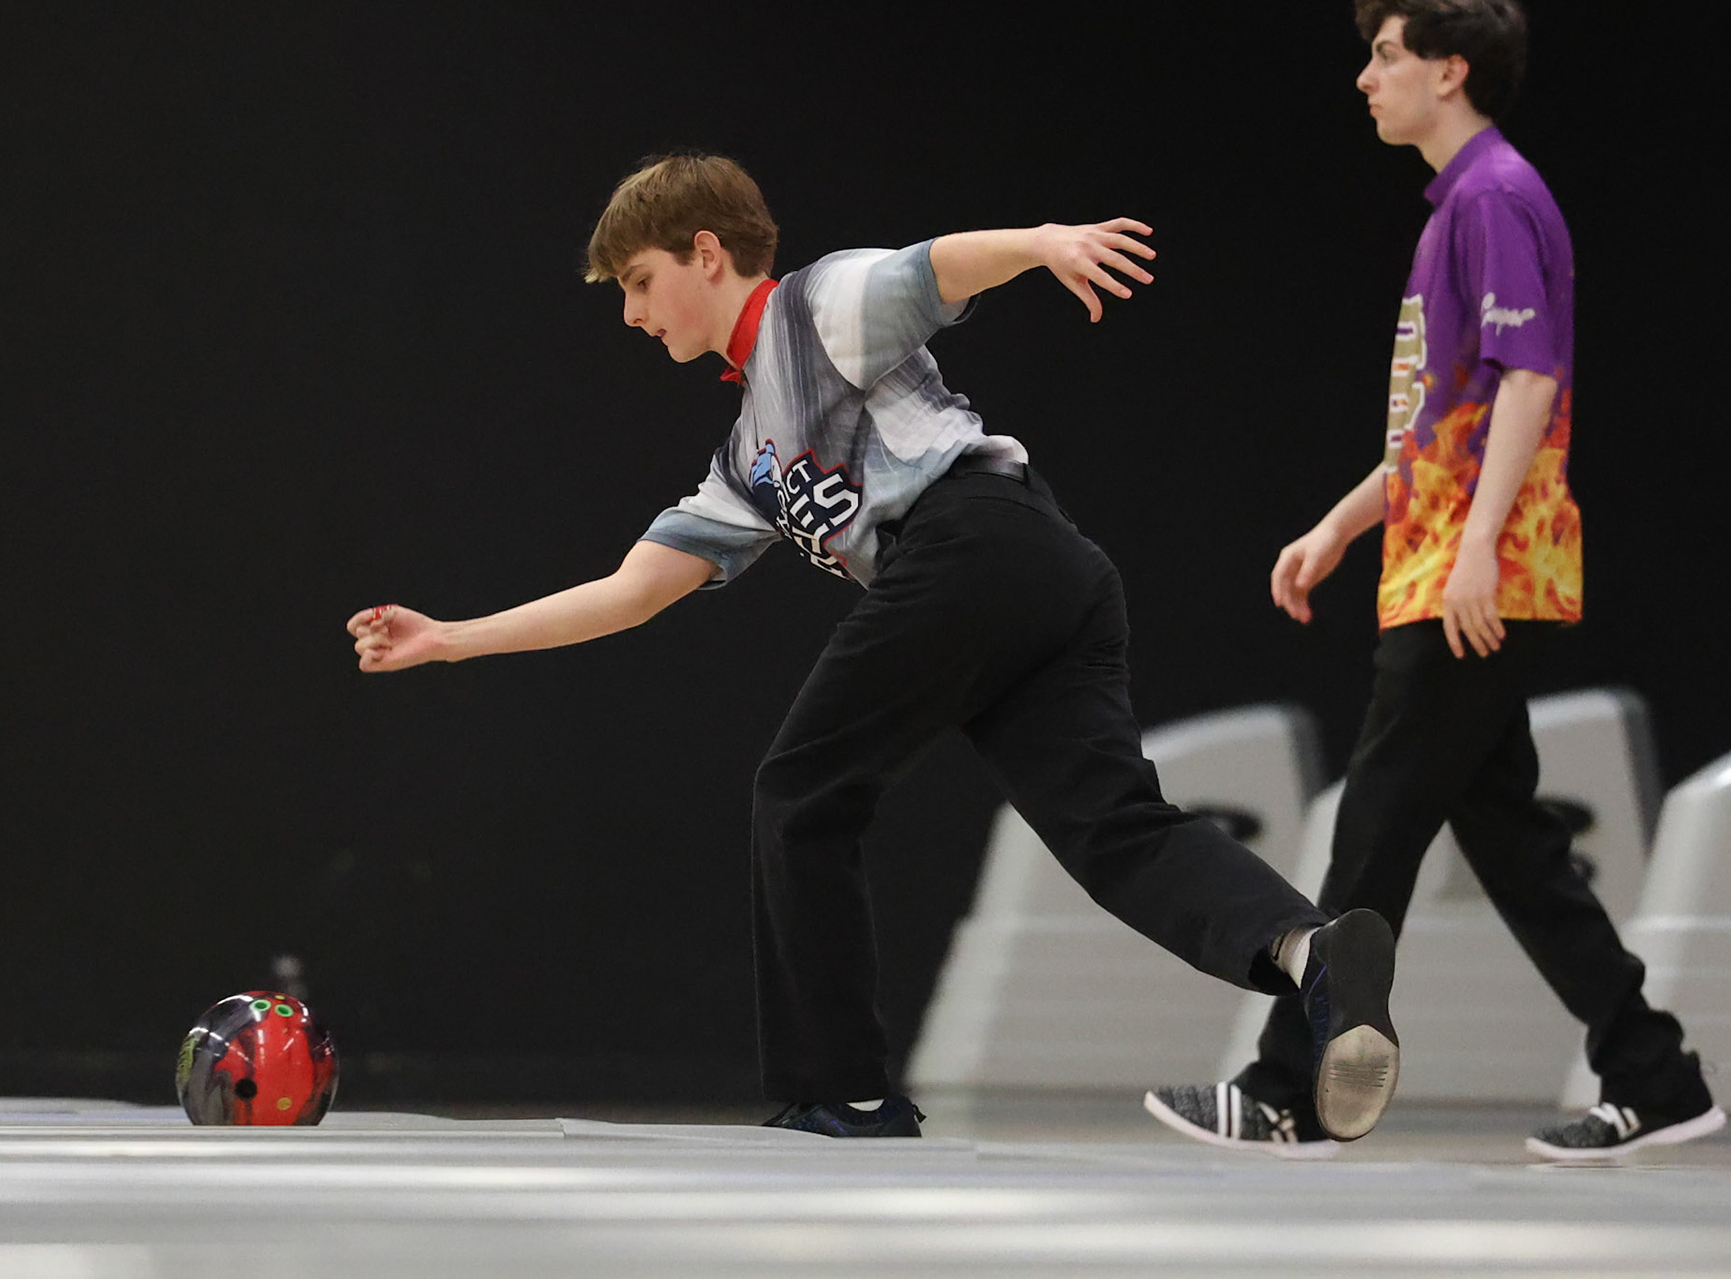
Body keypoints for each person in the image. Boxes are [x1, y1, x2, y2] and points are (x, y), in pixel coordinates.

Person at [347, 153, 1402, 1139]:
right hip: (1042, 572)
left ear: (706, 253)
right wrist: (451, 640)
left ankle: (842, 1091)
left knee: (800, 792)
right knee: (1112, 830)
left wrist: (1043, 242)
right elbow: (631, 592)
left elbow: (934, 269)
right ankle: (1314, 949)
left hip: (972, 545)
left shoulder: (813, 306)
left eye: (638, 281)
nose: (630, 312)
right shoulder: (748, 457)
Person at [1144, 0, 1723, 1162]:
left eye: (1387, 55)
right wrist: (1339, 526)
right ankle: (1654, 1074)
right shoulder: (1461, 206)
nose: (1367, 78)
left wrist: (1475, 549)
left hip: (1476, 575)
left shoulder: (1496, 196)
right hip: (1448, 562)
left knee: (1374, 823)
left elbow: (1530, 384)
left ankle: (1286, 1088)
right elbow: (1438, 427)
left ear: (1451, 71)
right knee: (1511, 843)